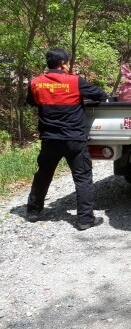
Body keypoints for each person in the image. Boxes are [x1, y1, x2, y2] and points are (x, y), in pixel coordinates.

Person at [26, 47, 108, 230]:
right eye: (68, 62)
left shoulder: (36, 82)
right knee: (82, 177)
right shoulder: (74, 81)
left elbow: (32, 101)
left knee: (43, 175)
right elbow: (101, 95)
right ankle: (85, 220)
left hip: (49, 139)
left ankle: (33, 211)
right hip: (74, 140)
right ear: (63, 63)